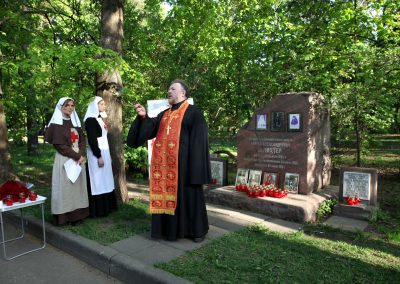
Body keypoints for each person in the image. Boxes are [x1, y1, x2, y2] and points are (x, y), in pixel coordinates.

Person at [127, 79, 211, 242]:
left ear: (182, 93)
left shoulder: (194, 112)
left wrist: (197, 169)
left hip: (185, 168)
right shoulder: (165, 114)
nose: (169, 91)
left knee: (190, 199)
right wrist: (143, 117)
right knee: (169, 198)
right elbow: (150, 129)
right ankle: (168, 231)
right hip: (165, 168)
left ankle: (196, 231)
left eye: (172, 89)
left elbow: (199, 141)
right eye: (168, 89)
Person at [45, 97, 89, 225]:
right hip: (65, 159)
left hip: (78, 160)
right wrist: (76, 156)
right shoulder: (55, 125)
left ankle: (78, 216)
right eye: (67, 105)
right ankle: (65, 217)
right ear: (60, 107)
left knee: (78, 189)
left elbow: (82, 140)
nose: (70, 107)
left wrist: (80, 155)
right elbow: (60, 146)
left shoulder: (75, 122)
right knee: (65, 189)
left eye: (72, 105)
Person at [83, 96, 117, 217]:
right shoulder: (90, 120)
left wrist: (107, 156)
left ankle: (108, 207)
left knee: (105, 179)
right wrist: (98, 156)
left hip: (105, 152)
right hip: (96, 153)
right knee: (97, 180)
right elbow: (92, 140)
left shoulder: (100, 119)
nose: (104, 106)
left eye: (104, 104)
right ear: (95, 106)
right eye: (101, 104)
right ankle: (98, 210)